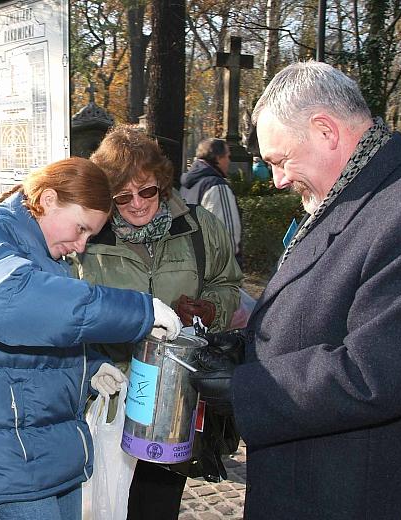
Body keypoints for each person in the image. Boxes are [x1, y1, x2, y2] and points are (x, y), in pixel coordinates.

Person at [191, 61, 401, 518]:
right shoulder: (349, 194)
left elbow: (376, 372)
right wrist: (244, 350)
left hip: (361, 495)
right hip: (310, 484)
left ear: (325, 130)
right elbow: (318, 315)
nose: (278, 180)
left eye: (280, 160)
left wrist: (247, 387)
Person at [0, 157, 182, 520]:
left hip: (41, 445)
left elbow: (44, 325)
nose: (81, 246)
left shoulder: (37, 245)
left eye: (90, 236)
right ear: (48, 200)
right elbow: (8, 304)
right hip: (6, 456)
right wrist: (137, 313)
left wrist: (89, 364)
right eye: (80, 229)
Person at [73, 126, 242, 520]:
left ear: (162, 183)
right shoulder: (88, 237)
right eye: (122, 196)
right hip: (108, 394)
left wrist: (208, 308)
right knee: (102, 503)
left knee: (157, 505)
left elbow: (227, 282)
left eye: (146, 190)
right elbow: (71, 309)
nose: (136, 204)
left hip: (174, 398)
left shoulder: (200, 227)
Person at [179, 138, 242, 265]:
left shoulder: (187, 185)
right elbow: (226, 235)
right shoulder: (216, 186)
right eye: (228, 156)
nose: (229, 161)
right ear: (218, 158)